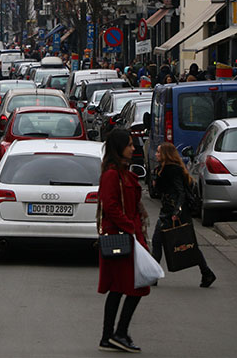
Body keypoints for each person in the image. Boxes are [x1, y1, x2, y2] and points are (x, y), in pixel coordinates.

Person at [98, 129, 149, 353]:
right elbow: (111, 207)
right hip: (122, 238)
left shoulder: (126, 174)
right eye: (129, 144)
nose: (133, 148)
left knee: (120, 288)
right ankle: (118, 333)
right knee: (136, 286)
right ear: (119, 149)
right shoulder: (111, 175)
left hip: (131, 236)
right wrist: (130, 228)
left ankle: (109, 336)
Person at [151, 142, 216, 288]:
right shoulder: (166, 169)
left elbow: (180, 192)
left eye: (159, 152)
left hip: (173, 212)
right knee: (186, 243)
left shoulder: (171, 170)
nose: (156, 154)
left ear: (165, 155)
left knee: (181, 243)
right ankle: (206, 273)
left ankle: (206, 273)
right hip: (172, 211)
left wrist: (177, 211)